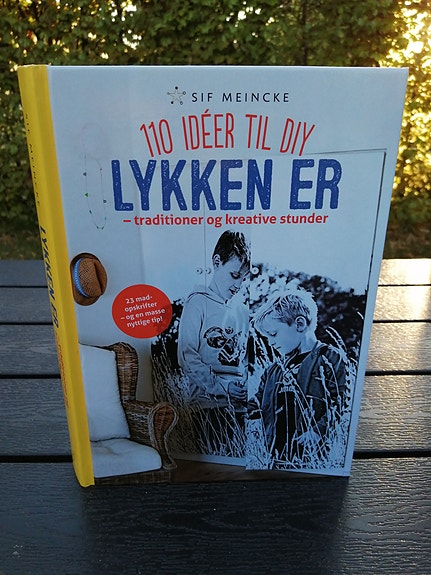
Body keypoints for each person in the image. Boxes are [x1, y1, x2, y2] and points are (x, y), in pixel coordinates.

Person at [250, 288, 348, 467]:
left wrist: (317, 431)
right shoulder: (273, 370)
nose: (270, 343)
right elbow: (257, 403)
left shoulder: (330, 357)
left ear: (300, 324)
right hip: (276, 456)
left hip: (313, 456)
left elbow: (340, 402)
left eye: (273, 334)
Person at [177, 230, 250, 410]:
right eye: (235, 275)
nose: (239, 285)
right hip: (206, 407)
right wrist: (223, 387)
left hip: (239, 408)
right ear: (217, 262)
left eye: (243, 279)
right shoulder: (197, 302)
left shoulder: (242, 311)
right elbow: (187, 357)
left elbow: (246, 361)